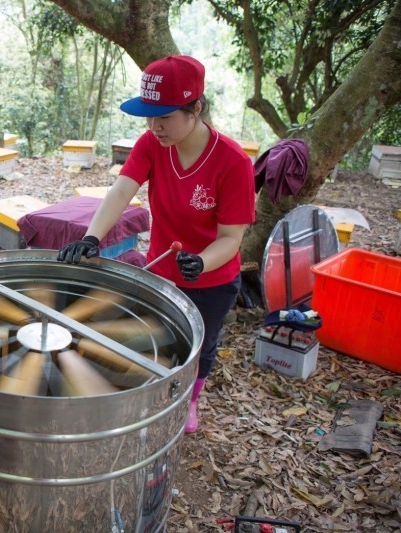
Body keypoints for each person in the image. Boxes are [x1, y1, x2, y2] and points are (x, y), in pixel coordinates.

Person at [56, 56, 255, 434]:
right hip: (162, 268)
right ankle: (151, 394)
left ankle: (191, 400)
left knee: (201, 344)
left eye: (164, 117)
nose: (154, 126)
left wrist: (202, 261)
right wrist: (91, 237)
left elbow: (232, 237)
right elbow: (121, 190)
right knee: (155, 335)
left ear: (195, 108)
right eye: (149, 117)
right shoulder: (152, 143)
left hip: (212, 278)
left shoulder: (232, 162)